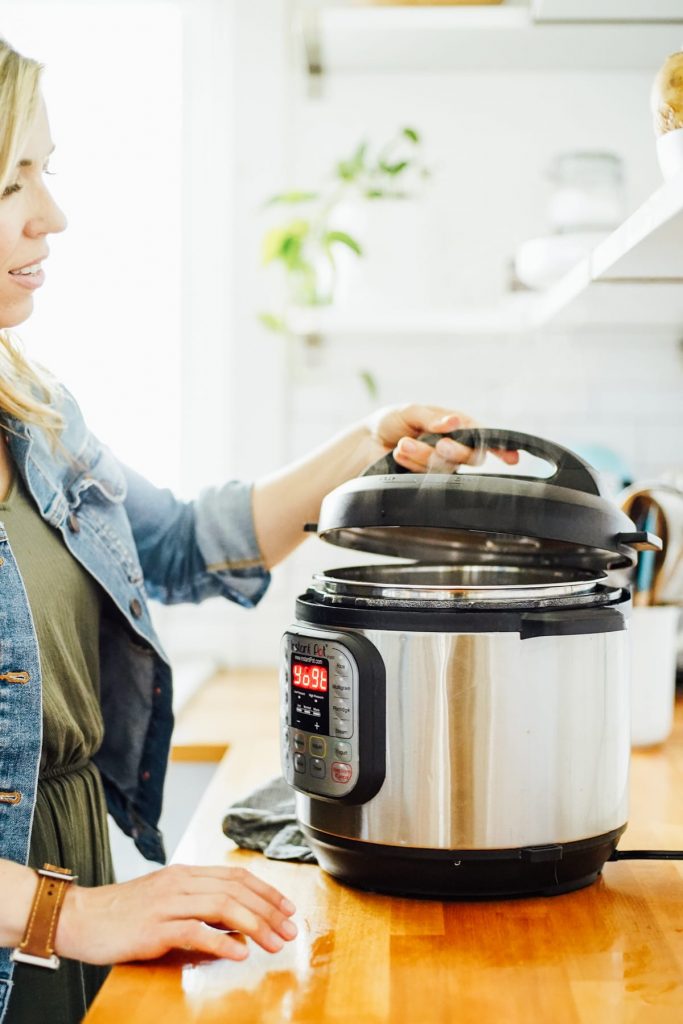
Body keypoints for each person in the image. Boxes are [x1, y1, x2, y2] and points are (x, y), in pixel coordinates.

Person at [0, 37, 518, 1024]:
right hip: (39, 917)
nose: (51, 215)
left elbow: (188, 542)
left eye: (46, 173)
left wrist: (364, 444)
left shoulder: (34, 411)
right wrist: (71, 915)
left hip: (67, 900)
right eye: (10, 181)